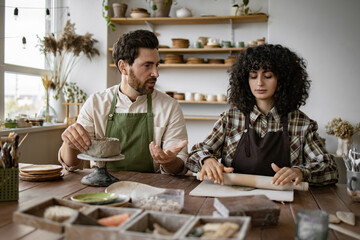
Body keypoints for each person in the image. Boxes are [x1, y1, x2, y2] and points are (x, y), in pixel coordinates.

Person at [186, 44, 338, 186]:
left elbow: (329, 168)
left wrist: (301, 172)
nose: (259, 83)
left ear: (284, 80)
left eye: (268, 76)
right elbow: (194, 155)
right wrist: (207, 160)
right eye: (253, 76)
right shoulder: (231, 118)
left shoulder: (301, 123)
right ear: (245, 80)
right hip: (232, 199)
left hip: (285, 203)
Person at [58, 29, 188, 175]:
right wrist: (70, 143)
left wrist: (169, 162)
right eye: (147, 65)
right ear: (123, 67)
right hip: (102, 189)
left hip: (149, 190)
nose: (156, 73)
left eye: (156, 65)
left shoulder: (169, 107)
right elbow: (72, 166)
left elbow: (179, 167)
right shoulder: (96, 103)